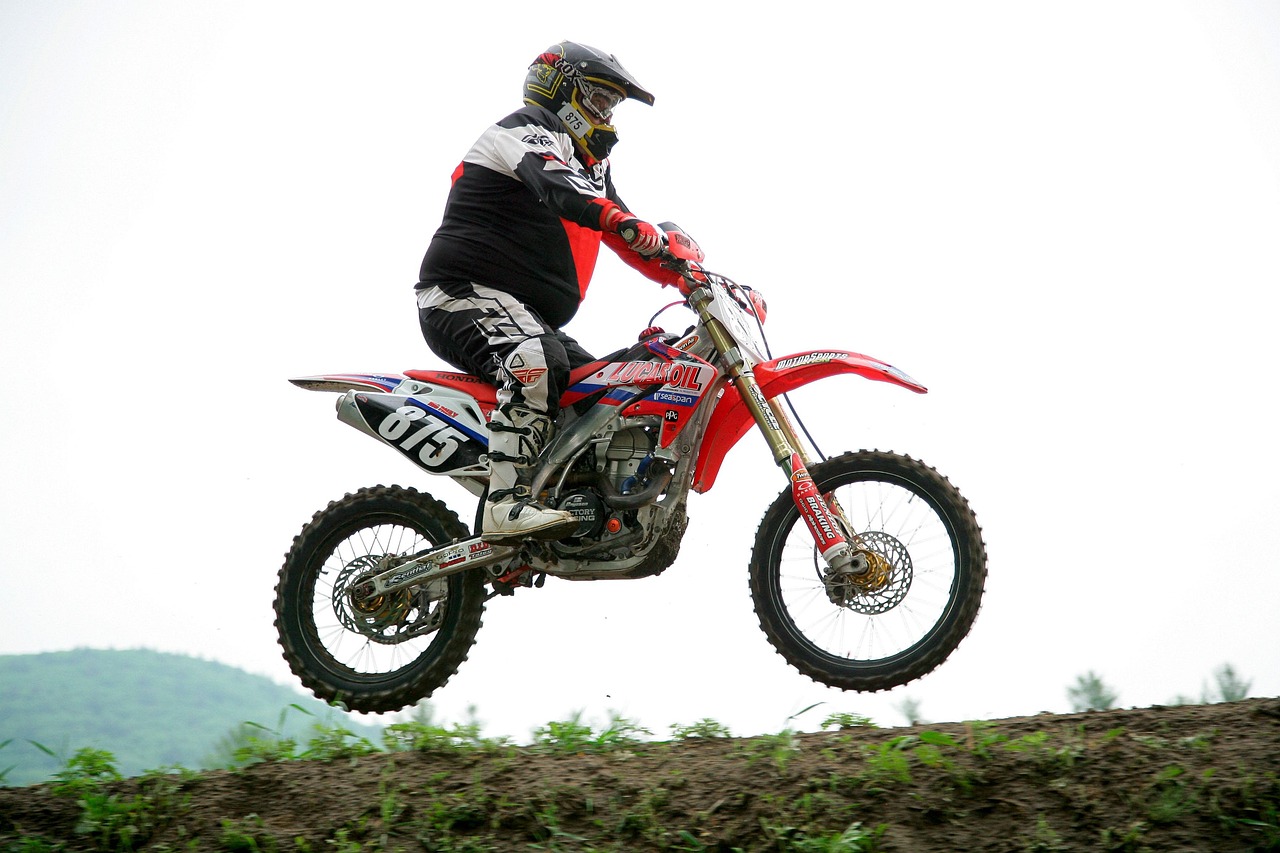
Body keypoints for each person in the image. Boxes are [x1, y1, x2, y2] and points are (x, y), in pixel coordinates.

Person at [414, 42, 686, 543]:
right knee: (536, 360)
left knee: (606, 389)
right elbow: (560, 187)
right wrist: (622, 220)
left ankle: (573, 506)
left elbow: (624, 231)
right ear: (562, 90)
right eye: (600, 100)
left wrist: (686, 275)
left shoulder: (590, 166)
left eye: (611, 105)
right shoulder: (522, 131)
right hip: (459, 294)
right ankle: (504, 504)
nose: (606, 115)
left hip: (524, 314)